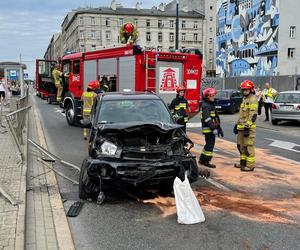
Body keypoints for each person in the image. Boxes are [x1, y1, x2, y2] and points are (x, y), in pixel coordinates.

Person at [233, 80, 258, 171]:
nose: (244, 92)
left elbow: (253, 115)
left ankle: (250, 166)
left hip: (248, 128)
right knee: (241, 146)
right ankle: (242, 163)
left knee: (248, 147)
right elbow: (242, 115)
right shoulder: (244, 99)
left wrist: (247, 126)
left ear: (251, 90)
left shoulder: (253, 99)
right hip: (241, 127)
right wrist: (236, 124)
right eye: (243, 90)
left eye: (246, 90)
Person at [198, 88, 223, 168]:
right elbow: (207, 119)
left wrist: (219, 128)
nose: (213, 97)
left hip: (211, 128)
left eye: (213, 95)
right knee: (210, 145)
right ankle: (206, 161)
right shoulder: (206, 106)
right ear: (207, 97)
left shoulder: (210, 104)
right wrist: (213, 128)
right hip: (209, 129)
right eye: (212, 96)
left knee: (208, 145)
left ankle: (202, 159)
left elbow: (215, 118)